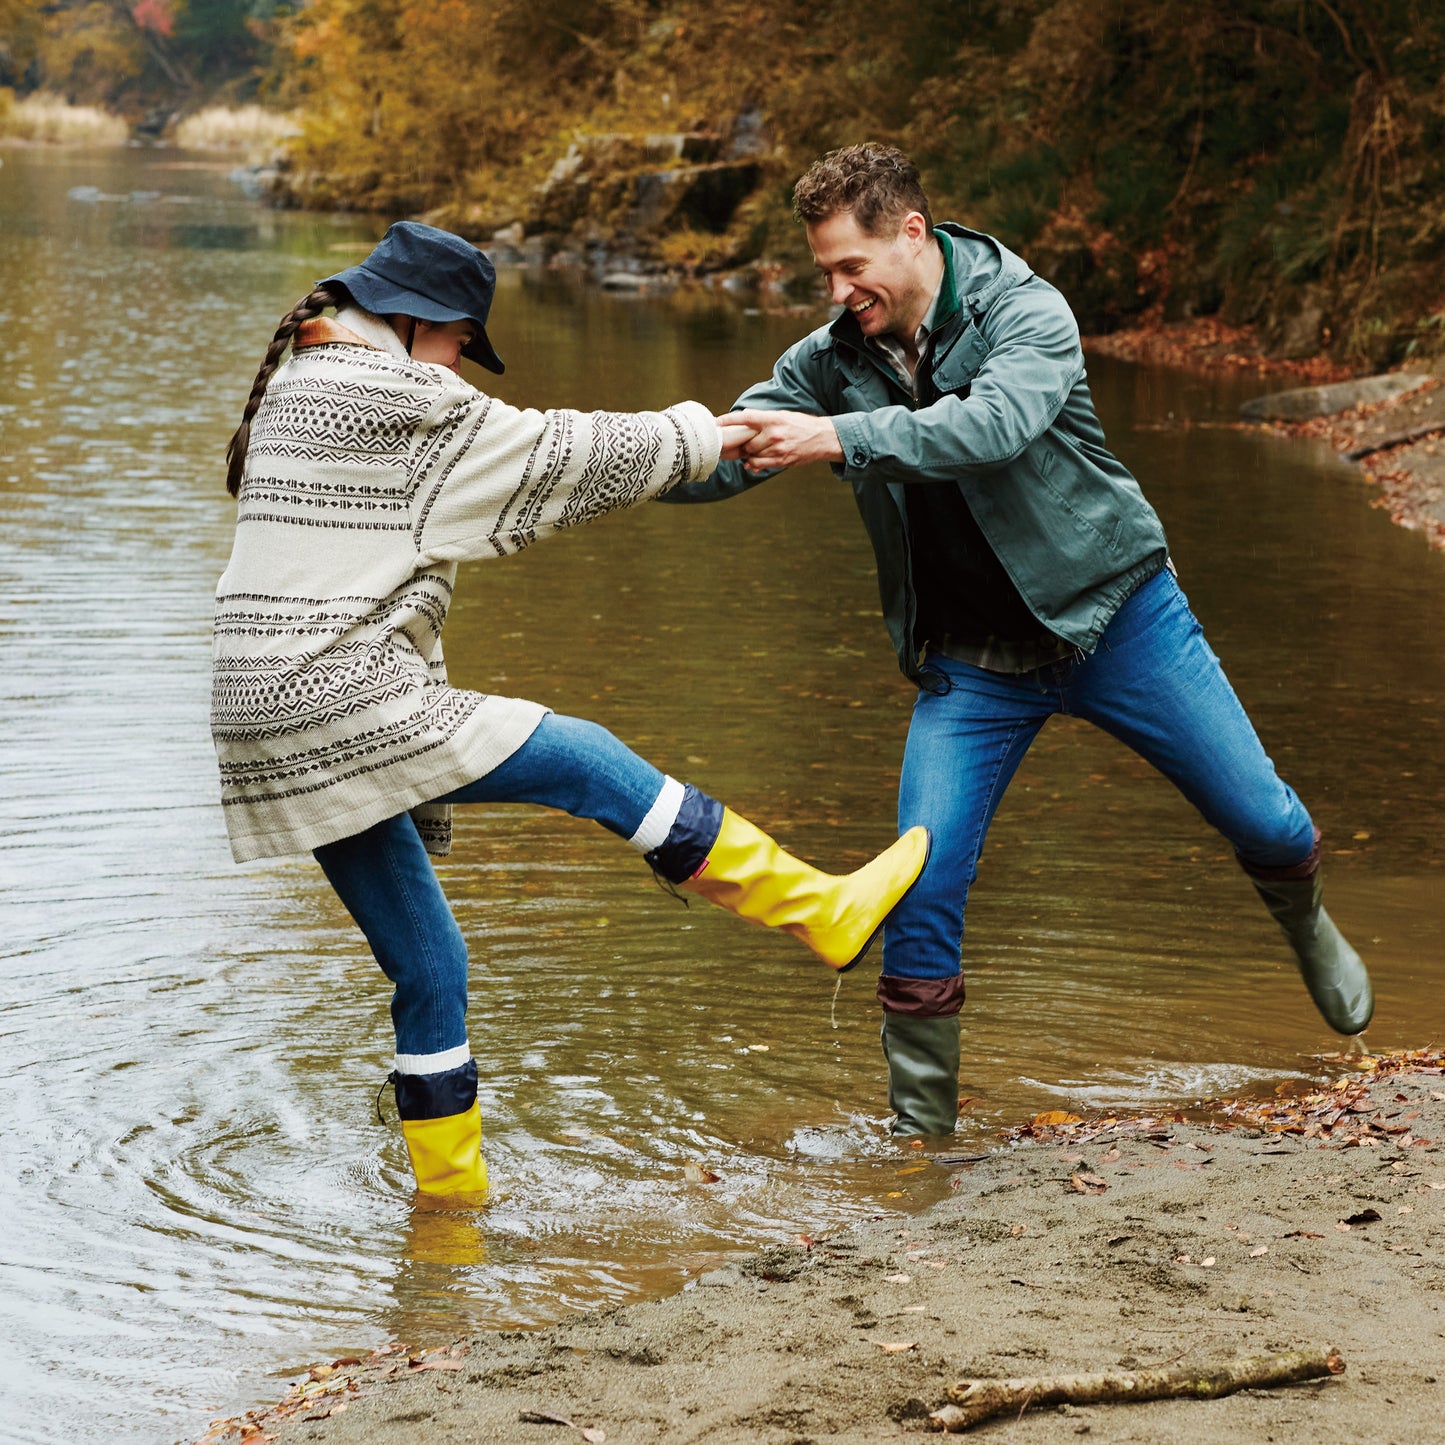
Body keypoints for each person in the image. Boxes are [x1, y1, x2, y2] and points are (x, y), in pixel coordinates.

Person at [661, 143, 1372, 1138]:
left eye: (849, 266)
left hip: (1115, 617)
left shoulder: (1024, 312)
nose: (833, 289)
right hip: (970, 665)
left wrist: (840, 439)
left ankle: (1302, 920)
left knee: (1265, 821)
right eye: (821, 269)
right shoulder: (831, 359)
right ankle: (922, 1144)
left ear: (911, 233)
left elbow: (991, 428)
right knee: (917, 887)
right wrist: (613, 454)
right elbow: (732, 451)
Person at [212, 220, 929, 1202]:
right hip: (335, 698)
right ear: (423, 321)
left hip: (266, 718)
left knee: (430, 964)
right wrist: (702, 435)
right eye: (464, 342)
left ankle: (448, 1214)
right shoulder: (390, 391)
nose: (461, 365)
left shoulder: (309, 374)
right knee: (586, 757)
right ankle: (818, 909)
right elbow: (553, 449)